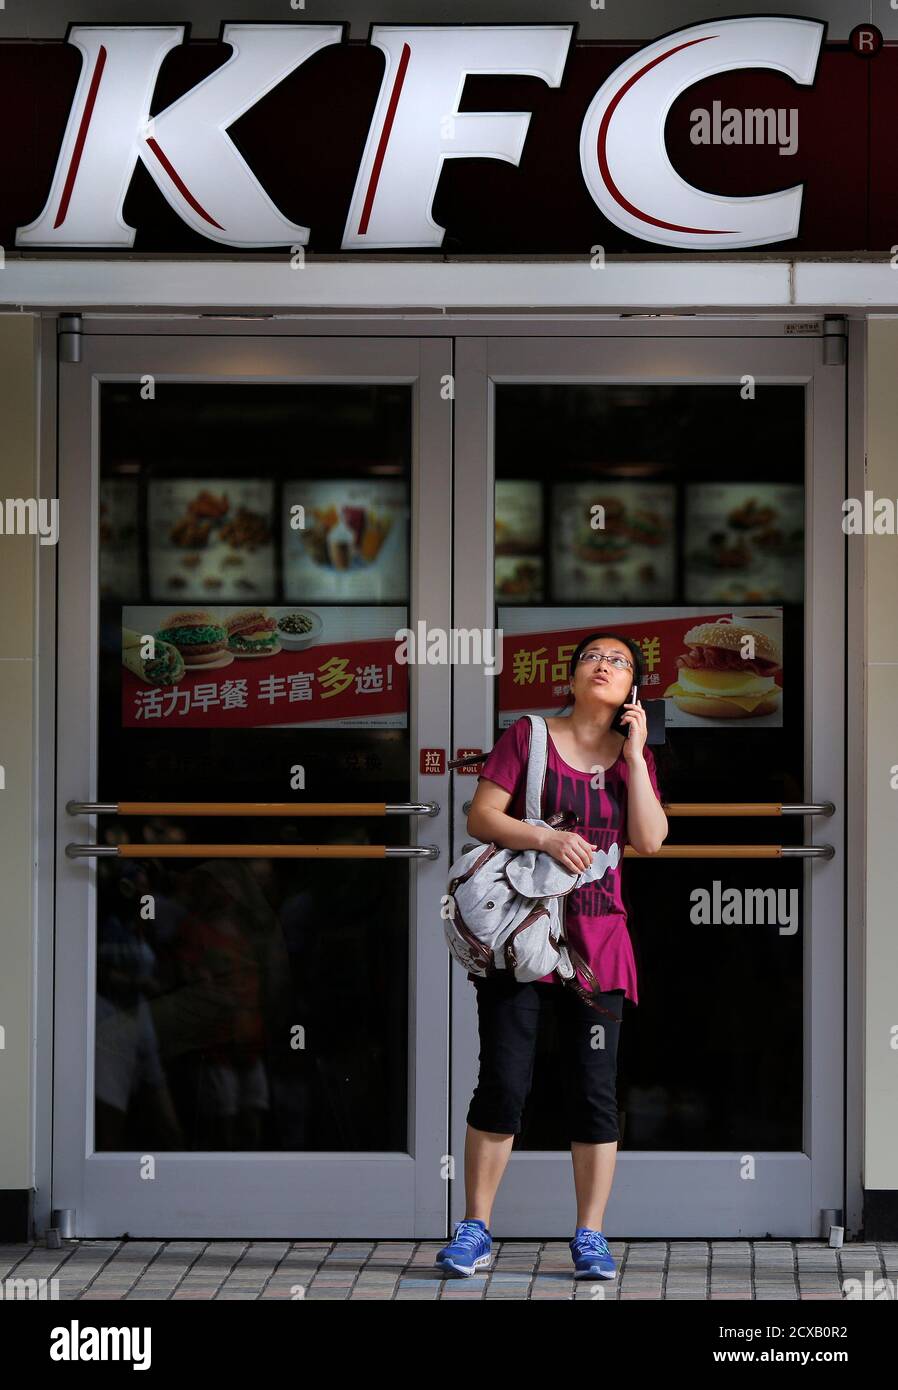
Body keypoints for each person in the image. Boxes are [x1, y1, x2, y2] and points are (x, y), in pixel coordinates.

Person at [435, 632, 669, 1280]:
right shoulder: (528, 736)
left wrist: (636, 755)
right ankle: (474, 1228)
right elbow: (482, 817)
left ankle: (590, 1235)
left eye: (619, 662)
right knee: (504, 1081)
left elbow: (650, 839)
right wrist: (544, 838)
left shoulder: (634, 757)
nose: (605, 665)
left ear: (632, 689)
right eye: (594, 657)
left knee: (594, 1091)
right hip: (524, 937)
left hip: (599, 944)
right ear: (571, 676)